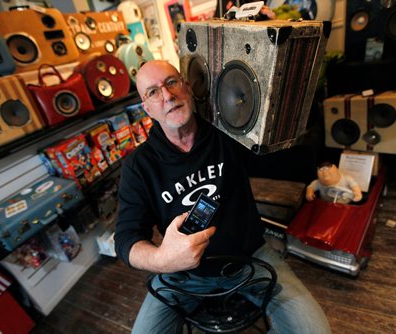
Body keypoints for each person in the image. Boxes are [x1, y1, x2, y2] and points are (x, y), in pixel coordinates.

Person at [114, 60, 331, 333]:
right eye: (153, 92)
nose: (167, 96)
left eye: (171, 82)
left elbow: (283, 154)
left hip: (250, 258)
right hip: (182, 276)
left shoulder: (228, 133)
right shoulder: (138, 166)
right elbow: (125, 240)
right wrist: (163, 260)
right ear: (146, 108)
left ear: (187, 86)